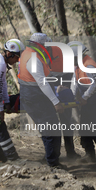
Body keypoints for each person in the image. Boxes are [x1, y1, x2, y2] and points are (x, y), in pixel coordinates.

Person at [19, 33, 65, 168]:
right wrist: (55, 102)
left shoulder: (28, 54)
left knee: (47, 129)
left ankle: (49, 158)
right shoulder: (33, 59)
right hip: (36, 97)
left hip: (32, 96)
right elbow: (42, 82)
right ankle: (53, 163)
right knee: (52, 129)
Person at [67, 41, 96, 162]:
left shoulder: (89, 65)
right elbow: (75, 80)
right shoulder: (77, 65)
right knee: (84, 128)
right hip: (90, 99)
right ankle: (90, 156)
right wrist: (71, 96)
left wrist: (84, 97)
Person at [49, 44, 81, 160]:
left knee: (66, 124)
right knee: (52, 127)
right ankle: (53, 153)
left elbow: (74, 81)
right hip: (51, 95)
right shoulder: (46, 62)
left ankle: (70, 152)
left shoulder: (70, 65)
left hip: (64, 95)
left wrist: (71, 94)